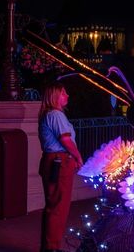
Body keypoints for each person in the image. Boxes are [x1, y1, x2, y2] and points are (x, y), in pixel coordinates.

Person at [38, 81, 82, 252]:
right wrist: (78, 156)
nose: (67, 95)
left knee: (53, 205)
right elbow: (65, 140)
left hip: (52, 161)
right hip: (59, 162)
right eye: (63, 92)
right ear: (55, 96)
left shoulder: (49, 114)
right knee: (59, 206)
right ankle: (52, 248)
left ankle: (49, 246)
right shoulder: (56, 115)